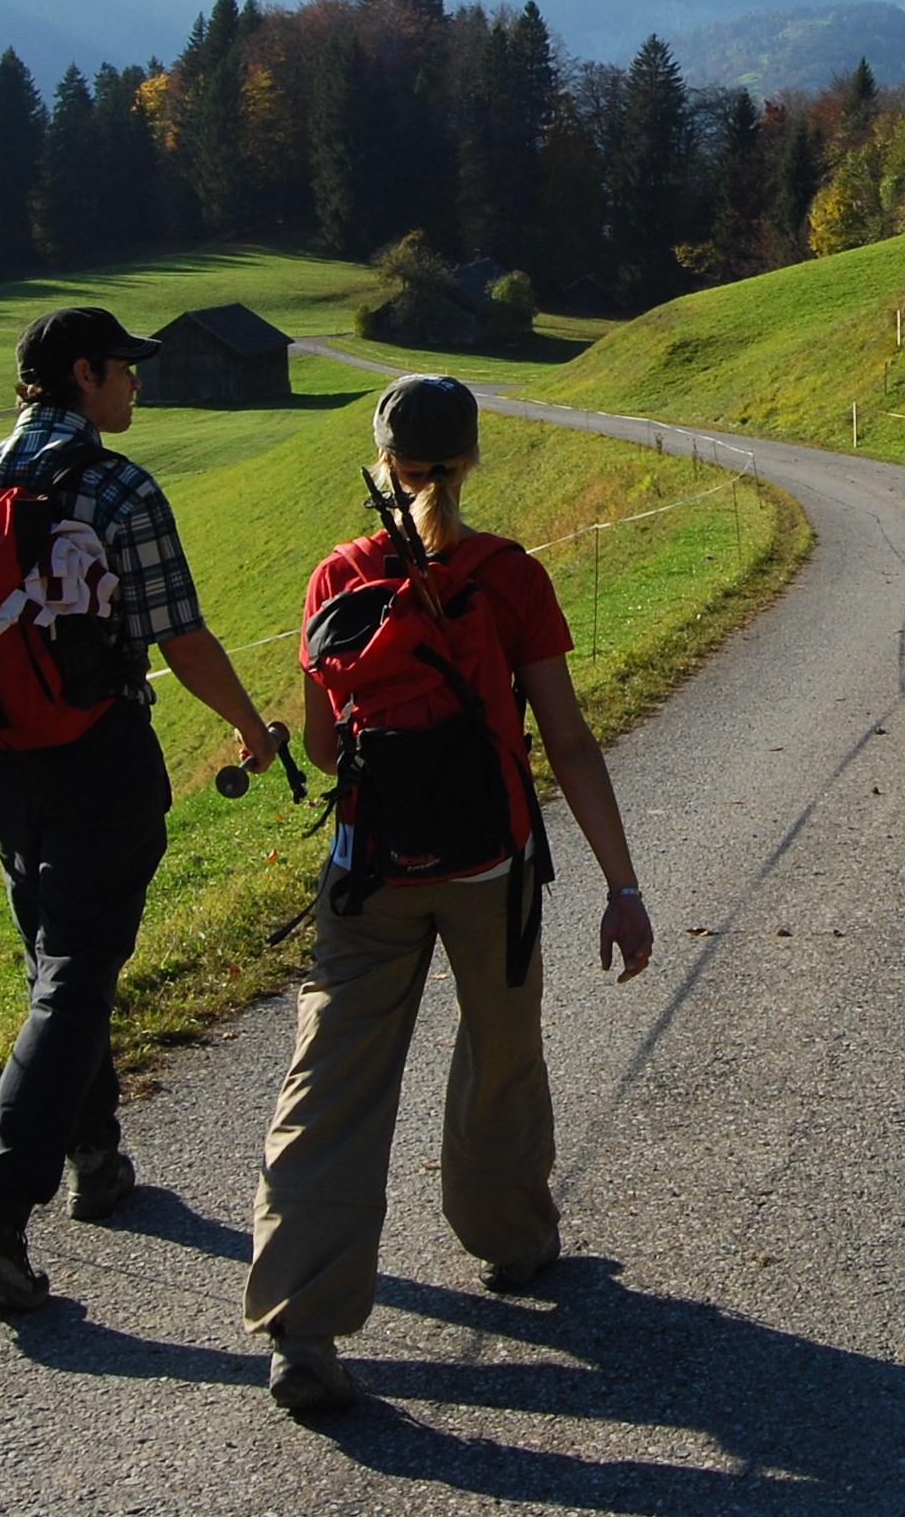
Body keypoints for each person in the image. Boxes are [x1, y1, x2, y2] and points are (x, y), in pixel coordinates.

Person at [244, 372, 654, 1415]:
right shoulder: (507, 575)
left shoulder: (333, 576)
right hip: (490, 866)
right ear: (469, 460)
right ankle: (511, 1242)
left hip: (367, 869)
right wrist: (621, 884)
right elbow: (563, 739)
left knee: (331, 1082)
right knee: (500, 1050)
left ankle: (301, 1320)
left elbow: (330, 744)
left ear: (381, 461)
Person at [0, 304, 279, 1311]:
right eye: (123, 368)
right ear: (82, 374)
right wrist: (251, 730)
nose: (135, 384)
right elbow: (182, 637)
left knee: (55, 960)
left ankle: (97, 1155)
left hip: (0, 764)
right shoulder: (119, 486)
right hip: (100, 755)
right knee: (75, 973)